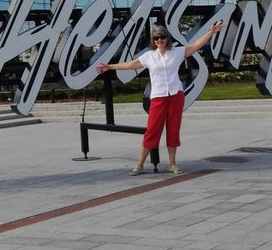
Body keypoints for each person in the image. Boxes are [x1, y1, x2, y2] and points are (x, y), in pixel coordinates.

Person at [96, 21, 224, 175]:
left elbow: (196, 45)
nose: (159, 40)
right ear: (153, 41)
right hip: (158, 97)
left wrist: (211, 32)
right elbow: (131, 64)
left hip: (176, 95)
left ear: (167, 38)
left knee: (173, 129)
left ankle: (172, 164)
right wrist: (110, 67)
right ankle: (140, 165)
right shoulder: (149, 56)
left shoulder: (177, 52)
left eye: (162, 37)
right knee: (152, 130)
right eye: (156, 38)